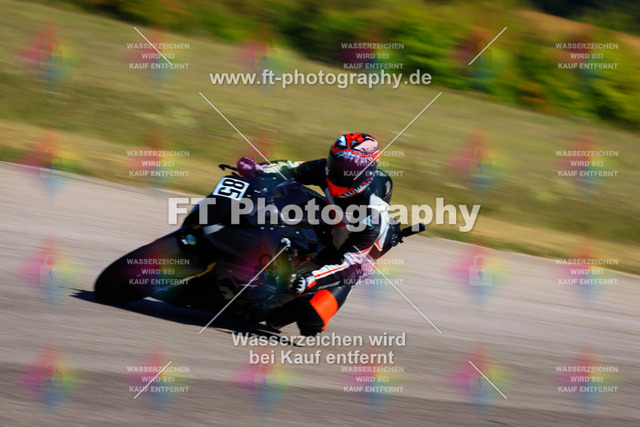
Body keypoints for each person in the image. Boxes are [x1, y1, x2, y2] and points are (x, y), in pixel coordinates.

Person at [236, 133, 396, 336]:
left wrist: (310, 279)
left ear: (368, 171)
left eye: (350, 169)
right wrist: (257, 169)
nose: (341, 172)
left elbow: (348, 264)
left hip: (354, 261)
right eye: (338, 163)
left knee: (310, 320)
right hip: (331, 227)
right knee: (285, 197)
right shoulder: (327, 170)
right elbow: (291, 168)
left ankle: (285, 307)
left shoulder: (373, 211)